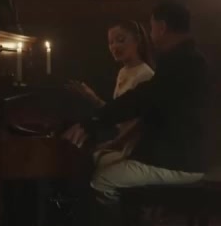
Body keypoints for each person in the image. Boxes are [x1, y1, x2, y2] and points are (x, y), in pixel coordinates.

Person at [62, 0, 209, 226]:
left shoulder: (181, 63)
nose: (151, 34)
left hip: (178, 160)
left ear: (161, 27)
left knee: (100, 181)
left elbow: (141, 100)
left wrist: (94, 121)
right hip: (176, 154)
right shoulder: (186, 59)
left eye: (152, 28)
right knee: (101, 165)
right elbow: (147, 105)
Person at [65, 21, 155, 167]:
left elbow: (139, 124)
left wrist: (113, 144)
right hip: (121, 143)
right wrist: (92, 97)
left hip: (136, 148)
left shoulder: (145, 75)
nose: (114, 46)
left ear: (137, 40)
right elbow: (118, 114)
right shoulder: (123, 72)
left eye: (121, 40)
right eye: (111, 42)